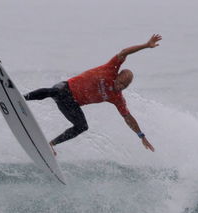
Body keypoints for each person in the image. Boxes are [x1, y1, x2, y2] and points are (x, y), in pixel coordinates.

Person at [24, 34, 162, 155]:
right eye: (120, 83)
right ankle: (22, 98)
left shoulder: (117, 98)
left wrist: (141, 136)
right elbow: (124, 52)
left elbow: (128, 117)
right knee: (55, 91)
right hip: (66, 88)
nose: (120, 87)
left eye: (124, 87)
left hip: (71, 104)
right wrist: (146, 45)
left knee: (82, 127)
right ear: (117, 76)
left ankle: (50, 144)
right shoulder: (110, 69)